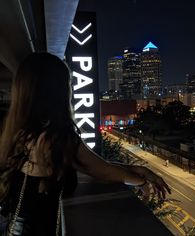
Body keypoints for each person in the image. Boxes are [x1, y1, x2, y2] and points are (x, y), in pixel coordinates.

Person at [0, 52, 171, 235]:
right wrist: (141, 181)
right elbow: (102, 171)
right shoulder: (55, 137)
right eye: (68, 83)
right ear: (57, 91)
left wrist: (135, 170)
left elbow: (95, 165)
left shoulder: (19, 132)